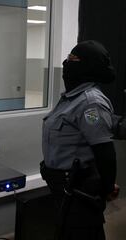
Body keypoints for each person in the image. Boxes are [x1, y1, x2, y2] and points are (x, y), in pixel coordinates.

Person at [40, 40, 120, 240]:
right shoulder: (70, 98)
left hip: (79, 191)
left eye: (73, 59)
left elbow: (105, 152)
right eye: (67, 58)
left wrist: (106, 188)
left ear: (88, 67)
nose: (66, 64)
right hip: (62, 189)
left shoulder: (90, 103)